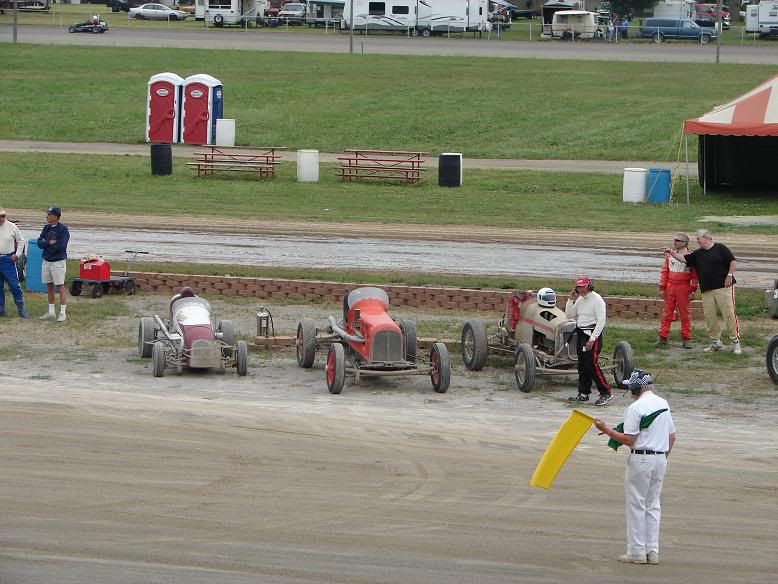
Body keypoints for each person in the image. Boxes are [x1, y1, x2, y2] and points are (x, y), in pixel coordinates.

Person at [594, 369, 676, 565]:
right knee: (653, 505)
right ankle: (652, 551)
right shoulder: (663, 403)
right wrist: (663, 457)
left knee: (637, 504)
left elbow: (629, 440)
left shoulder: (635, 408)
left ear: (635, 388)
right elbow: (672, 436)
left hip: (641, 459)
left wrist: (606, 430)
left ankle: (636, 552)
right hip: (660, 458)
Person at [666, 229, 740, 355]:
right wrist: (672, 253)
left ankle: (735, 342)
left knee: (728, 313)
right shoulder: (698, 254)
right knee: (710, 316)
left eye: (698, 239)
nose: (697, 241)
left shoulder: (720, 248)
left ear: (706, 238)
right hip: (707, 290)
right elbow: (683, 259)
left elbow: (733, 262)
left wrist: (729, 275)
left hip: (723, 287)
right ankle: (716, 342)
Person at [565, 276, 613, 406]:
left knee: (592, 364)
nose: (581, 289)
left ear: (588, 286)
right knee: (582, 365)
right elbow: (569, 315)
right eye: (578, 287)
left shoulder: (597, 300)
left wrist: (592, 339)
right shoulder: (580, 299)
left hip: (592, 334)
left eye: (583, 287)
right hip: (581, 333)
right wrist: (570, 300)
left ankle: (606, 392)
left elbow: (601, 321)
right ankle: (583, 393)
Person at [656, 232, 697, 349]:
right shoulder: (669, 256)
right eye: (674, 240)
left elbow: (695, 275)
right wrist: (662, 287)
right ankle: (663, 337)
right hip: (670, 287)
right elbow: (664, 272)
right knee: (667, 313)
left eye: (677, 240)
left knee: (685, 314)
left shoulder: (691, 256)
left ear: (685, 243)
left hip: (684, 288)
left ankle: (686, 339)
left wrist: (693, 290)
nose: (675, 242)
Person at [37, 206, 70, 322]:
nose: (47, 216)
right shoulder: (46, 228)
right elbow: (39, 243)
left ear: (56, 217)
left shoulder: (63, 229)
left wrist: (47, 245)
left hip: (58, 262)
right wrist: (49, 243)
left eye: (49, 215)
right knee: (49, 285)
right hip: (46, 260)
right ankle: (51, 312)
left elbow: (61, 246)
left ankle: (62, 312)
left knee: (60, 286)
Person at [0, 208, 29, 318]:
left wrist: (17, 254)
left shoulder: (12, 227)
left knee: (14, 286)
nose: (1, 219)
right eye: (0, 217)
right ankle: (1, 309)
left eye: (3, 216)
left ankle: (21, 309)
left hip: (8, 260)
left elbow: (21, 241)